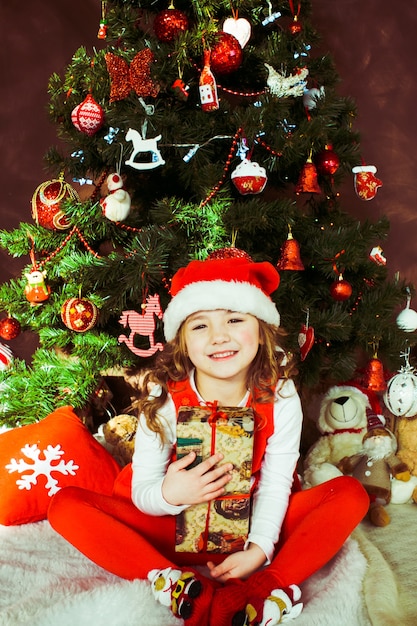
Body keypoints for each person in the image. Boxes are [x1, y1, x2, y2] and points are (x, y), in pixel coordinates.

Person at [48, 251, 369, 626]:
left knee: (349, 495)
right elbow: (144, 492)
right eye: (200, 326)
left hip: (249, 523)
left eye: (234, 319)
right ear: (182, 341)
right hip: (172, 528)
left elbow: (278, 481)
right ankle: (176, 584)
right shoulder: (163, 397)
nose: (219, 337)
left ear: (262, 328)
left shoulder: (279, 394)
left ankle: (263, 588)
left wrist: (261, 549)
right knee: (65, 506)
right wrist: (171, 494)